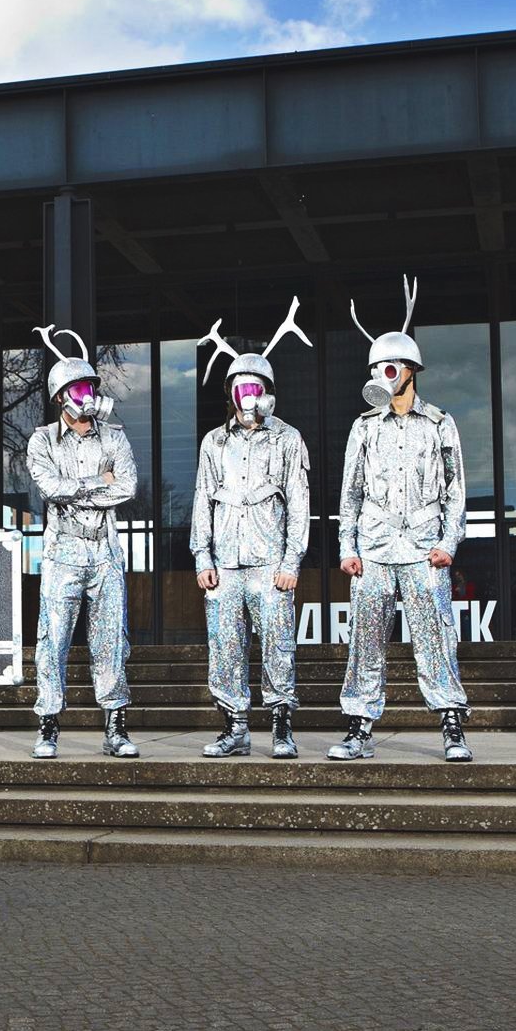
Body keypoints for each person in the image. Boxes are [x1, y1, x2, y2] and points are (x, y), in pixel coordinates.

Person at [334, 276, 473, 762]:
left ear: (411, 370)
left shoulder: (441, 424)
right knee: (366, 639)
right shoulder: (362, 426)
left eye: (390, 366)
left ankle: (451, 725)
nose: (383, 373)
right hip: (373, 549)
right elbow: (349, 492)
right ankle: (359, 727)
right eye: (376, 367)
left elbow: (456, 492)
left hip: (422, 549)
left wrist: (449, 544)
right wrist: (347, 548)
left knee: (435, 635)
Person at [189, 297, 313, 759]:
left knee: (277, 646)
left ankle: (281, 727)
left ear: (267, 391)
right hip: (224, 564)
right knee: (224, 648)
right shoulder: (213, 442)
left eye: (254, 389)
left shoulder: (288, 438)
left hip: (269, 565)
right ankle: (235, 727)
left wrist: (291, 561)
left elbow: (300, 503)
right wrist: (201, 556)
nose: (247, 398)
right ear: (231, 394)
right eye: (239, 389)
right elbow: (202, 498)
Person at [26, 324, 139, 759]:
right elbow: (50, 487)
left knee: (111, 639)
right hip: (63, 553)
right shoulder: (41, 441)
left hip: (106, 552)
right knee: (52, 639)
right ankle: (48, 724)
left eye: (91, 386)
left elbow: (127, 487)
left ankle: (116, 727)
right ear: (61, 398)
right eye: (78, 389)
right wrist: (99, 480)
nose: (88, 396)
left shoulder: (116, 436)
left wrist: (80, 485)